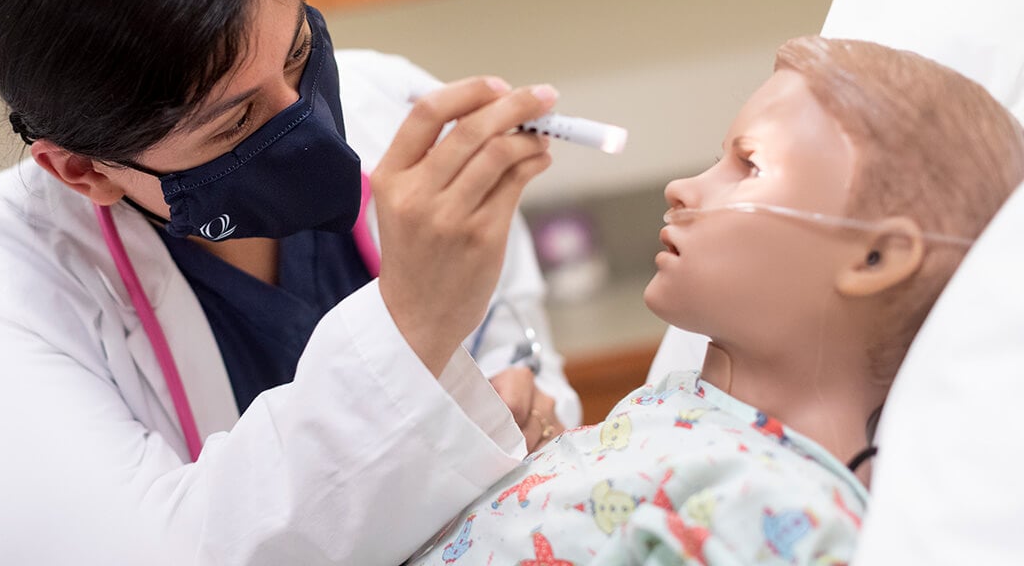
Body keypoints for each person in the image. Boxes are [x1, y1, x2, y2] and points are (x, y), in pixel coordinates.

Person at [0, 0, 580, 564]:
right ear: (83, 170)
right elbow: (159, 547)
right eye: (235, 121)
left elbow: (514, 337)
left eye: (300, 52)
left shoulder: (389, 105)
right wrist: (411, 328)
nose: (307, 119)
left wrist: (529, 398)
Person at [405, 36, 1024, 564]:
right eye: (714, 159)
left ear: (876, 259)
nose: (683, 188)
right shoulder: (675, 412)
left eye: (748, 165)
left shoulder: (781, 514)